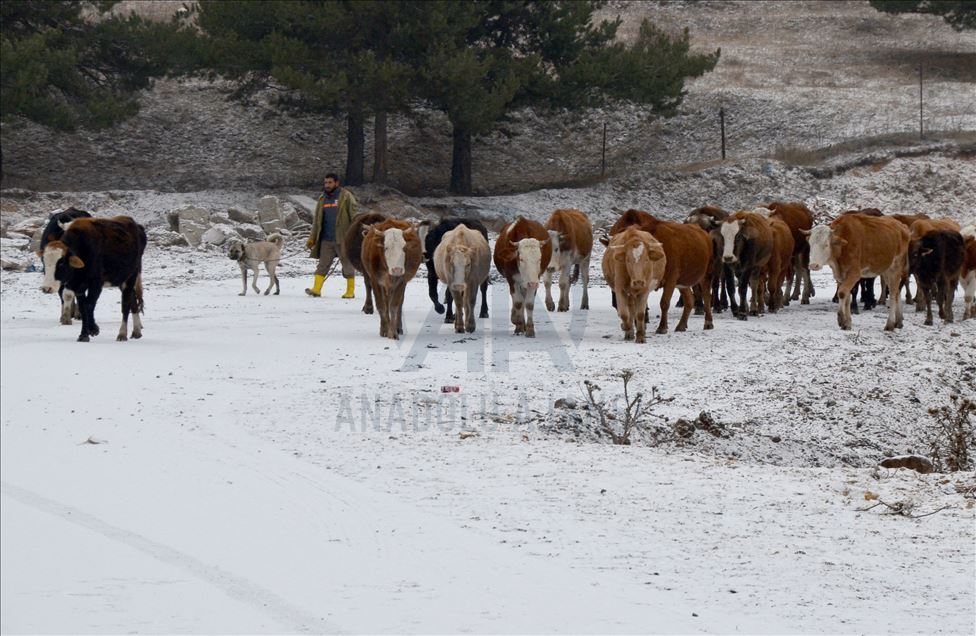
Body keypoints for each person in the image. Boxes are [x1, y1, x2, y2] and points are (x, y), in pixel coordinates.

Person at [305, 172, 357, 298]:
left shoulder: (346, 196)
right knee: (322, 264)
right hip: (326, 239)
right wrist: (312, 238)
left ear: (336, 183)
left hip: (343, 239)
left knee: (347, 264)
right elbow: (317, 221)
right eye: (325, 182)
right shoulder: (322, 198)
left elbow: (354, 217)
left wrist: (355, 237)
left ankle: (350, 291)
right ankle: (316, 289)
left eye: (330, 182)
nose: (327, 185)